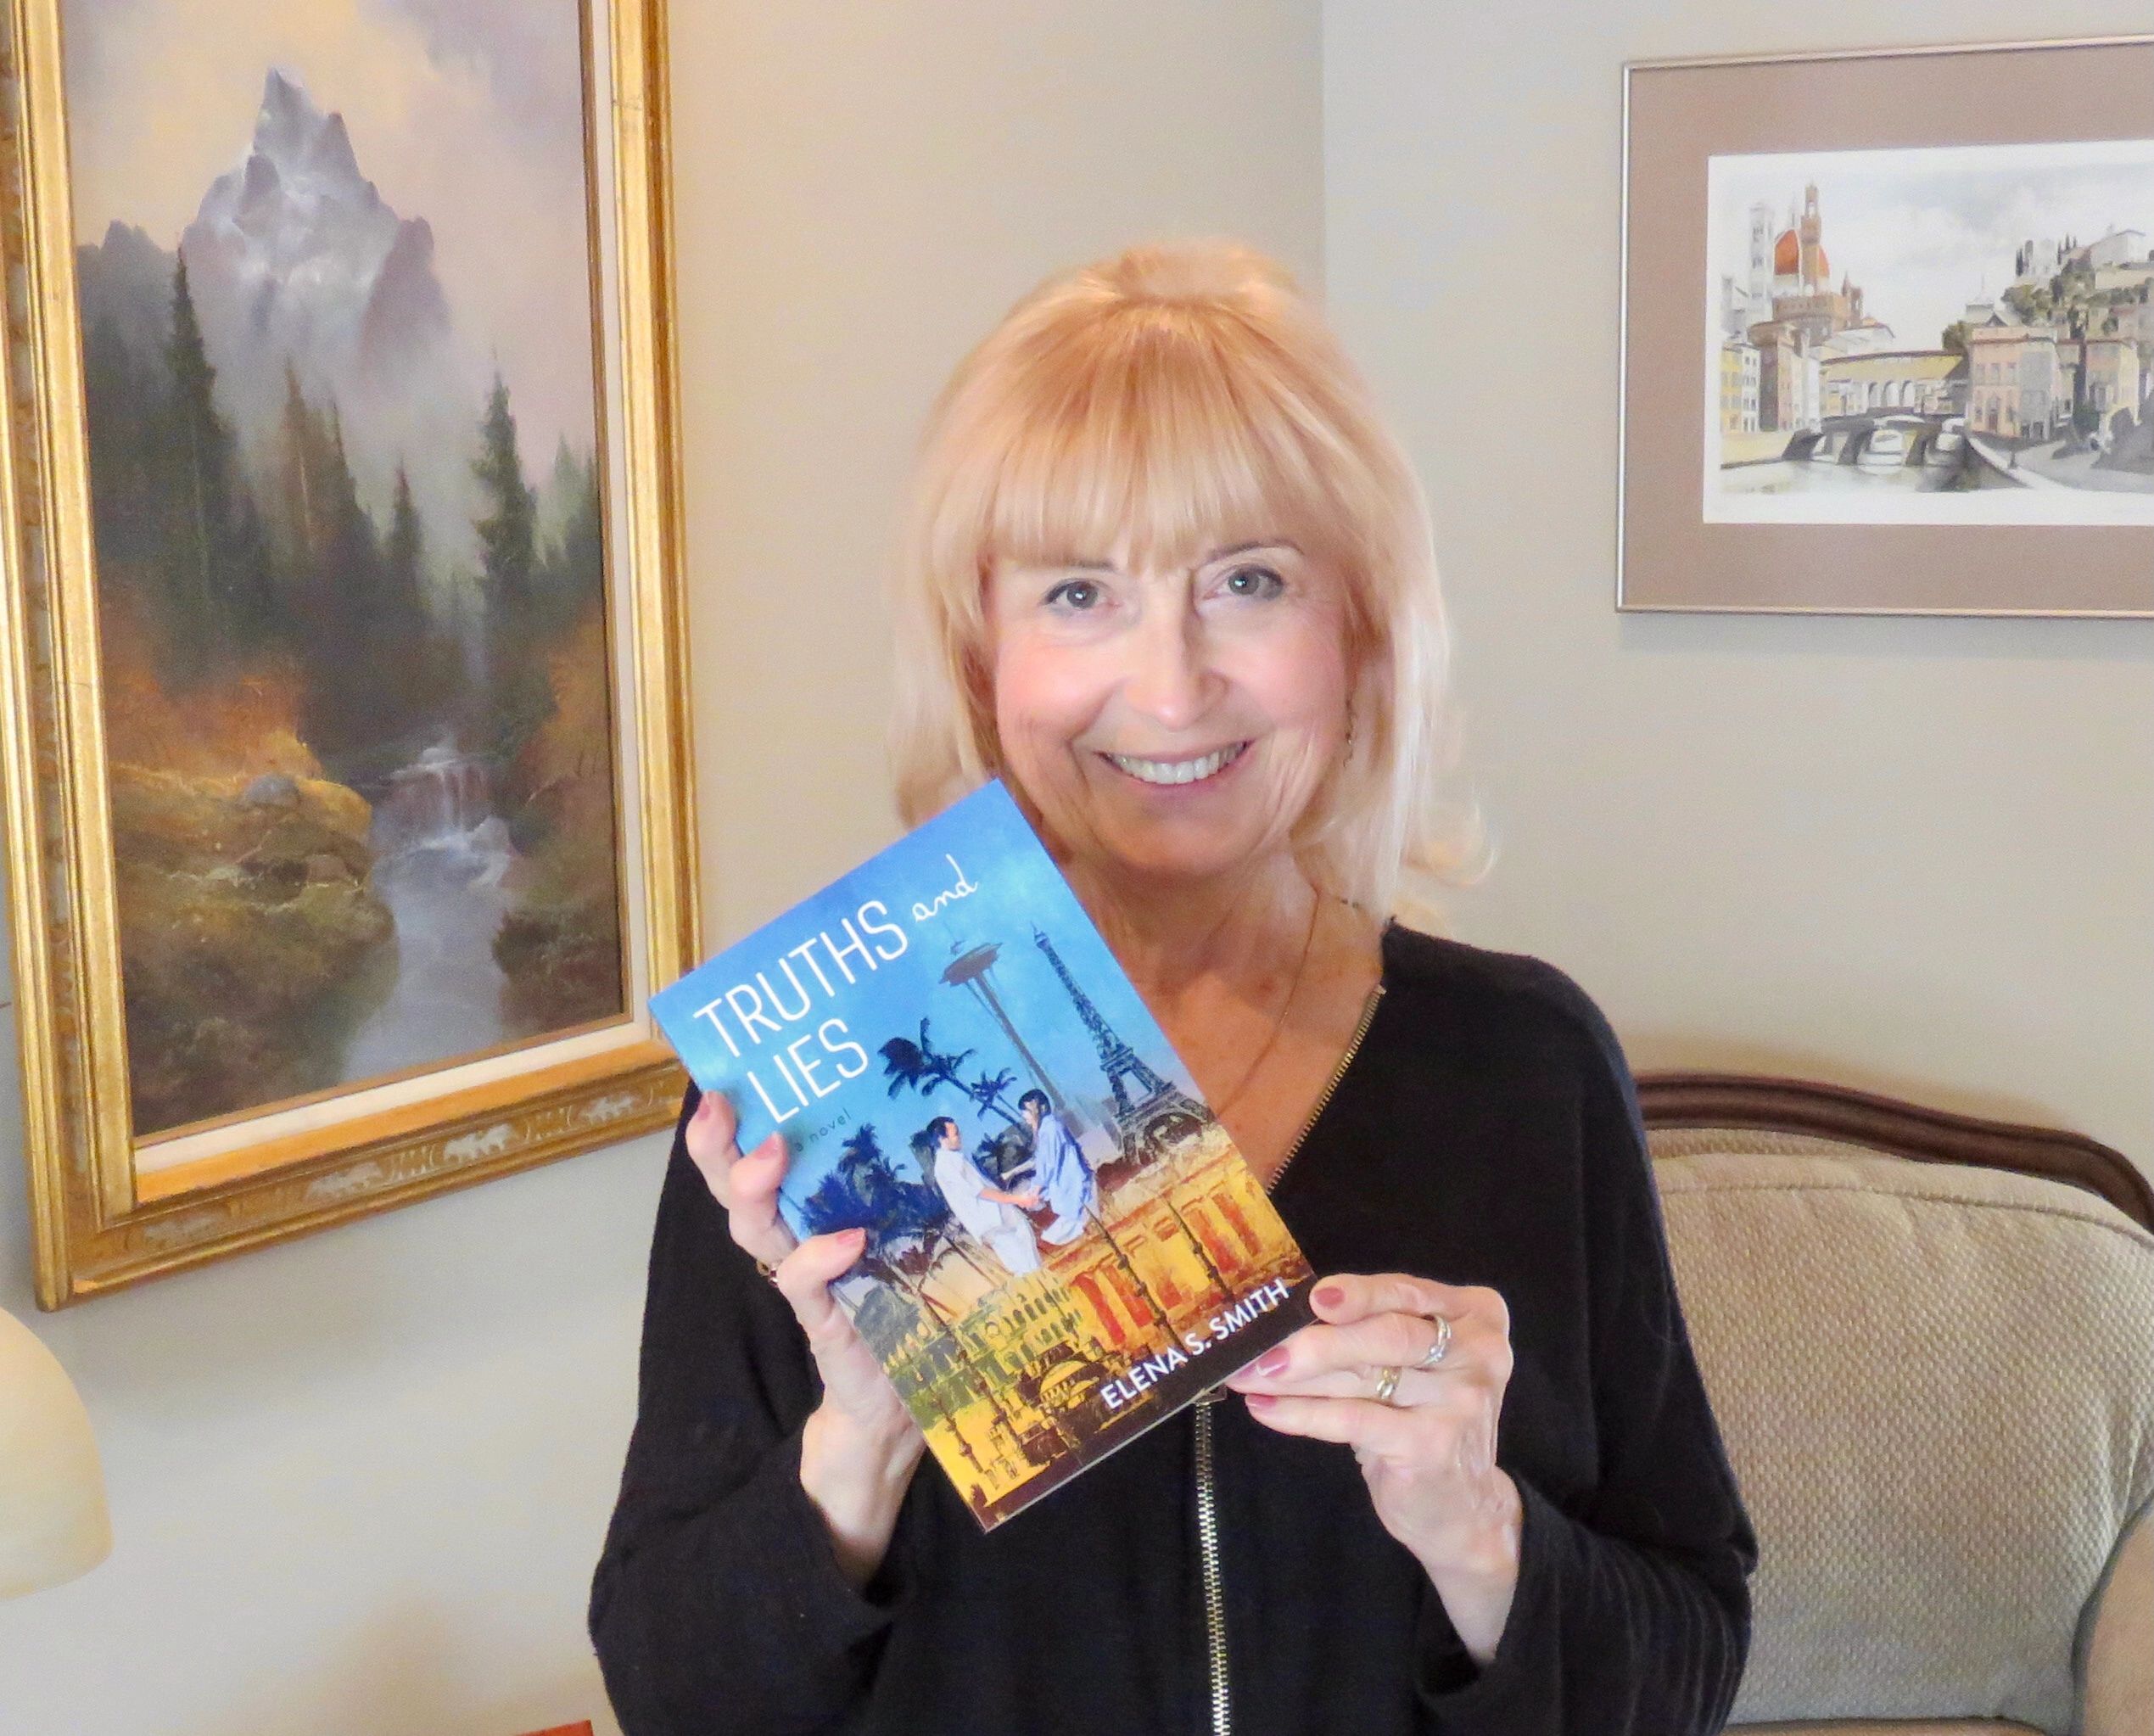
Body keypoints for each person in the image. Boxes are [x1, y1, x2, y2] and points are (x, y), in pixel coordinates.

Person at [590, 241, 1757, 1735]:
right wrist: (862, 1436)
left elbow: (1683, 1659)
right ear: (978, 650)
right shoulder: (812, 1089)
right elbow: (673, 1698)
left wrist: (1474, 1525)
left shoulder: (1521, 1067)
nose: (1167, 685)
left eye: (1246, 583)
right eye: (1077, 593)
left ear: (1359, 631)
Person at [923, 1113, 1043, 1279]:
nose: (960, 1136)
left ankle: (1040, 1279)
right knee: (1022, 1261)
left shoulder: (956, 1158)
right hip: (991, 1220)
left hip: (998, 1213)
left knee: (1026, 1243)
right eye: (956, 1133)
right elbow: (980, 1191)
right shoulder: (946, 1165)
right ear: (942, 1139)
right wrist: (1017, 1199)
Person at [1015, 1088, 1094, 1246]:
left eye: (1026, 1112)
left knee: (1059, 1237)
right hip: (1069, 1188)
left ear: (1038, 1109)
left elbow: (1049, 1165)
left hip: (1073, 1189)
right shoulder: (1048, 1128)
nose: (1025, 1117)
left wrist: (1035, 1191)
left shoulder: (1050, 1129)